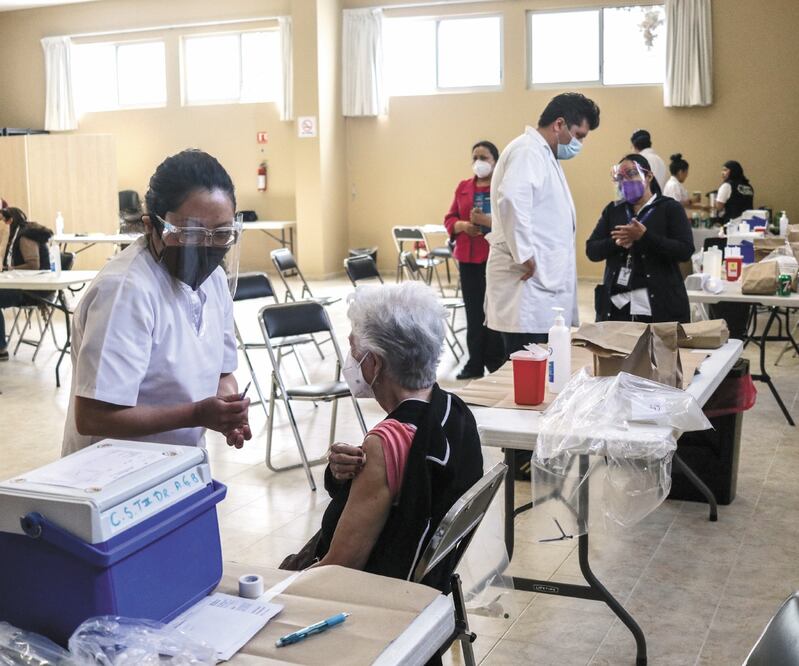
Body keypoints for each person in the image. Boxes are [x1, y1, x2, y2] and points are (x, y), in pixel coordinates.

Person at [282, 282, 483, 593]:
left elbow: (338, 568)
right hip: (432, 585)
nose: (351, 362)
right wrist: (342, 476)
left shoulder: (385, 443)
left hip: (379, 598)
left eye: (354, 350)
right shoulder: (453, 411)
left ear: (374, 363)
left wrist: (279, 589)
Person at [61, 149, 251, 455]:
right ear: (152, 226)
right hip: (112, 473)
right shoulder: (126, 291)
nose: (206, 247)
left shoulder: (213, 280)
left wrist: (228, 408)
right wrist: (196, 414)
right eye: (189, 233)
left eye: (221, 233)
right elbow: (93, 416)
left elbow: (223, 372)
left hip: (179, 464)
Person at [485, 92, 600, 355]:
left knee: (541, 367)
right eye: (579, 135)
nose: (580, 144)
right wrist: (524, 253)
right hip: (526, 287)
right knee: (524, 369)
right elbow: (513, 199)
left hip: (541, 286)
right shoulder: (528, 150)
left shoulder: (544, 154)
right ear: (559, 125)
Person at [586, 154, 694, 323]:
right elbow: (592, 250)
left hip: (659, 301)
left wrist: (645, 237)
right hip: (619, 301)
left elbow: (685, 251)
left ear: (649, 176)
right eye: (620, 177)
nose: (625, 181)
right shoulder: (614, 210)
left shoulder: (669, 208)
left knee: (656, 346)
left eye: (631, 174)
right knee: (619, 346)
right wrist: (617, 242)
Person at [443, 140, 506, 379]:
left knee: (494, 311)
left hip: (494, 258)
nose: (479, 162)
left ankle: (496, 360)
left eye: (484, 157)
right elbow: (449, 218)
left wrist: (485, 222)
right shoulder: (463, 187)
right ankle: (474, 361)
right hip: (468, 258)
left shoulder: (501, 188)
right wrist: (462, 225)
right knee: (473, 312)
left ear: (495, 161)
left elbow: (509, 221)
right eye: (475, 158)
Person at [1, 207, 54, 361]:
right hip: (25, 285)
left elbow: (33, 264)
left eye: (3, 221)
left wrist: (9, 269)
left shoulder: (25, 237)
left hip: (35, 291)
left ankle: (1, 348)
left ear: (10, 220)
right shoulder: (20, 234)